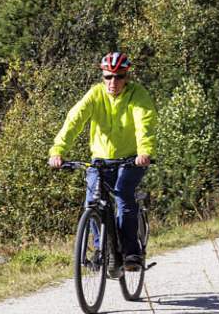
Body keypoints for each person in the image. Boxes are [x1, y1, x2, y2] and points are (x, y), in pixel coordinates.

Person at [48, 52, 155, 270]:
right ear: (102, 76)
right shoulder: (95, 95)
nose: (113, 82)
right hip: (100, 160)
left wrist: (144, 152)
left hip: (131, 160)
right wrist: (58, 150)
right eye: (108, 77)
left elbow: (144, 123)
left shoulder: (137, 95)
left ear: (127, 77)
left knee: (124, 196)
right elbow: (74, 121)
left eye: (119, 77)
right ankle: (102, 249)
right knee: (92, 202)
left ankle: (131, 253)